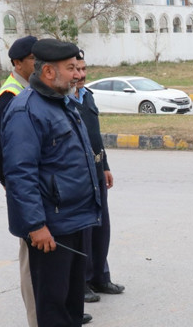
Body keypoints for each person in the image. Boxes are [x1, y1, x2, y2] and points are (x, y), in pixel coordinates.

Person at [2, 38, 101, 326]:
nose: (77, 74)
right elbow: (20, 173)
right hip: (50, 230)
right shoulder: (26, 110)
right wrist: (35, 226)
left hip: (75, 220)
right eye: (70, 68)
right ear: (48, 72)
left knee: (71, 308)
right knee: (52, 311)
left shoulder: (64, 102)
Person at [0, 36, 39, 327]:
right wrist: (10, 183)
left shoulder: (30, 90)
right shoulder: (9, 96)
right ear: (17, 63)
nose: (38, 62)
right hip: (24, 189)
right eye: (33, 58)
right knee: (32, 260)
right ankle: (37, 318)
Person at [71, 50, 125, 302]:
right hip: (77, 175)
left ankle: (100, 278)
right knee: (83, 231)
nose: (80, 75)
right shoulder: (61, 100)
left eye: (83, 69)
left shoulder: (87, 96)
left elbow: (96, 136)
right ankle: (81, 283)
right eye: (74, 69)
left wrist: (104, 165)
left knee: (102, 227)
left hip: (95, 171)